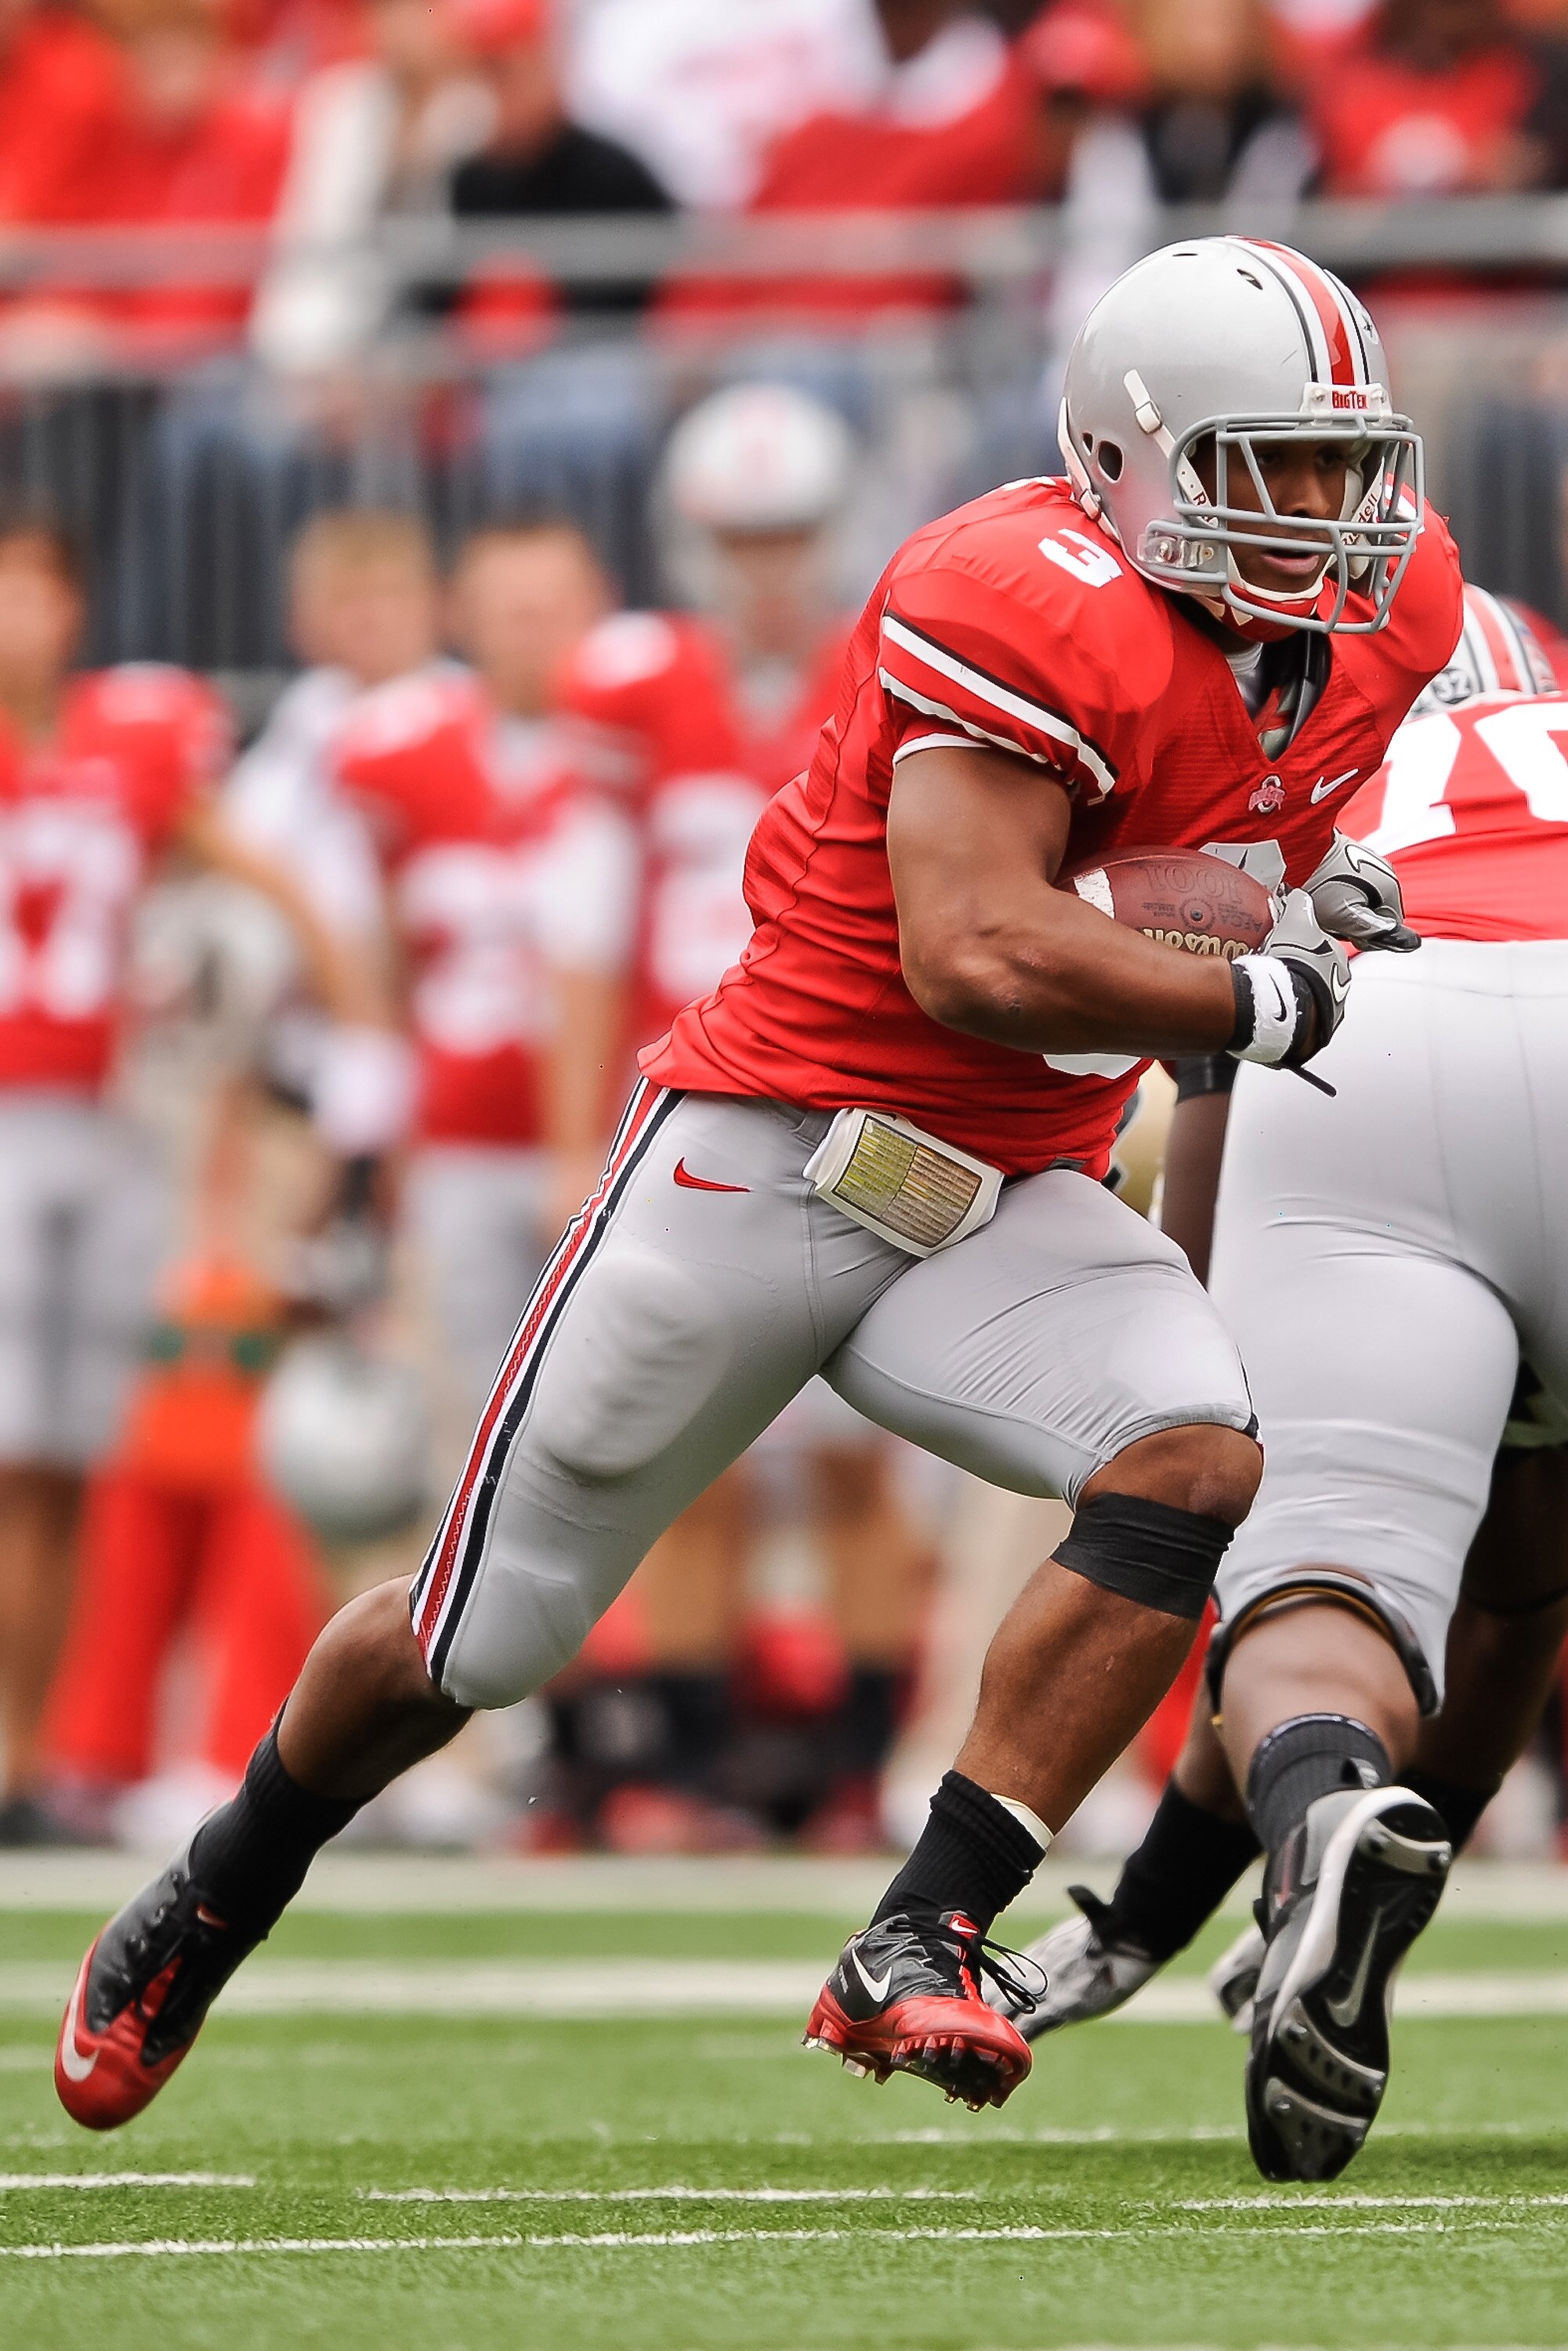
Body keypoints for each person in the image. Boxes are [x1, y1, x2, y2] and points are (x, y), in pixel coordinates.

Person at [54, 237, 1461, 2133]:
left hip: (1002, 1190)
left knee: (1192, 1459)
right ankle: (225, 1878)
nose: (1321, 510)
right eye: (1267, 463)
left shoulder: (1383, 609)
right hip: (766, 1158)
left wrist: (1298, 892)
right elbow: (974, 948)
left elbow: (1237, 825)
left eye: (1342, 462)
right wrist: (1257, 988)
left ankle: (921, 1927)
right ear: (1124, 463)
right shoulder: (1015, 597)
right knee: (478, 1635)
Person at [1003, 585, 1568, 2180]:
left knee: (1317, 1586)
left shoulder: (1282, 808)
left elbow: (1214, 1361)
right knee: (1515, 1559)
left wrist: (1160, 1901)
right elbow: (1519, 1597)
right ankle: (1339, 1852)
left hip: (1380, 1032)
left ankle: (1327, 1817)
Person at [545, 384, 931, 1854]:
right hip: (691, 1095)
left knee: (855, 1456)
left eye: (789, 536)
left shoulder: (890, 665)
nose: (766, 567)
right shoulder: (635, 682)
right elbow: (588, 926)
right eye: (741, 538)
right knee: (686, 1454)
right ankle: (701, 1765)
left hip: (856, 1093)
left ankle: (851, 1773)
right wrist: (572, 1131)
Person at [0, 506, 386, 1846]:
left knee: (63, 1462)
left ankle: (28, 1761)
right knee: (15, 1458)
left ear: (74, 608)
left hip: (106, 1127)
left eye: (34, 590)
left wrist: (358, 1044)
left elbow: (277, 889)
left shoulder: (135, 743)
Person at [331, 516, 628, 1420]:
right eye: (510, 611)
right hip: (457, 1142)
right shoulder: (394, 753)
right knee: (472, 1425)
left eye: (551, 609)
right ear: (460, 615)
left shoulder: (639, 748)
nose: (532, 633)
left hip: (623, 1139)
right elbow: (377, 953)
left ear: (599, 607)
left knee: (617, 1420)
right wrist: (388, 1120)